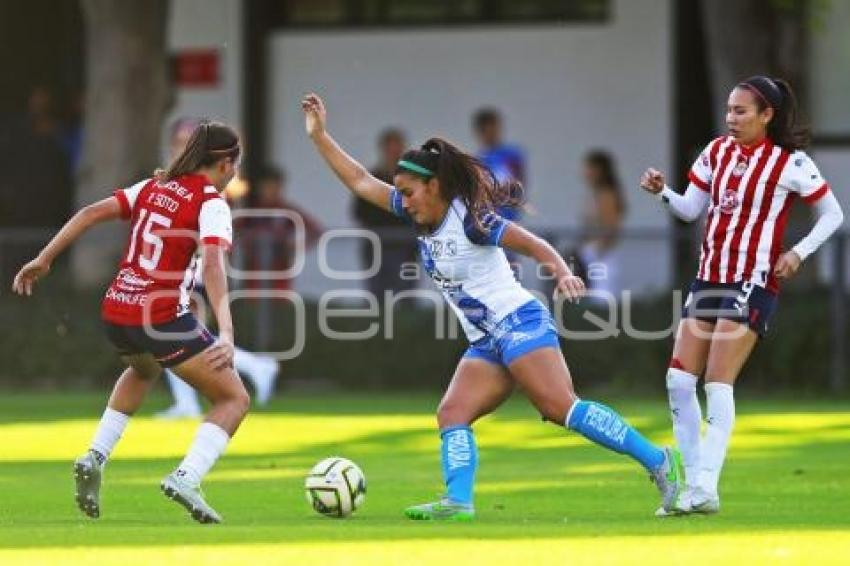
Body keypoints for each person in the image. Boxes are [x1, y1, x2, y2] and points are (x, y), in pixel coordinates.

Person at [302, 93, 684, 521]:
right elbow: (359, 181)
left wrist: (561, 271)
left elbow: (531, 242)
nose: (402, 201)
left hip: (518, 321)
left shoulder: (471, 220)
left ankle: (660, 460)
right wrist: (320, 136)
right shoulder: (420, 213)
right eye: (401, 194)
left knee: (560, 407)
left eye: (409, 193)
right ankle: (458, 502)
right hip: (486, 340)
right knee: (452, 413)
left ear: (434, 186)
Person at [12, 122, 249, 524]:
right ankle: (186, 477)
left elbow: (89, 213)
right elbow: (212, 263)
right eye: (235, 166)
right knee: (234, 399)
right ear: (226, 164)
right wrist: (226, 329)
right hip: (160, 315)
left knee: (143, 370)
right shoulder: (210, 203)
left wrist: (45, 258)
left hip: (118, 308)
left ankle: (95, 454)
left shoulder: (154, 187)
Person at [640, 76, 844, 515]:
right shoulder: (715, 152)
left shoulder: (791, 163)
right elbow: (691, 209)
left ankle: (706, 487)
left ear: (767, 115)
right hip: (707, 279)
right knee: (678, 380)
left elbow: (832, 214)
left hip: (750, 282)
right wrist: (664, 194)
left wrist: (799, 252)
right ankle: (692, 487)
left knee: (717, 381)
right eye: (729, 110)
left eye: (741, 111)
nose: (731, 118)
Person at [156, 121, 279, 419]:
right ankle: (253, 367)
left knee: (175, 337)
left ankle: (250, 369)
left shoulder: (206, 183)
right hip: (179, 270)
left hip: (193, 270)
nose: (183, 146)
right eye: (180, 140)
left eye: (189, 140)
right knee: (181, 339)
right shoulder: (179, 179)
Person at [352, 128, 418, 298]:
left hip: (406, 246)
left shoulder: (413, 181)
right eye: (391, 149)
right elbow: (359, 212)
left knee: (405, 295)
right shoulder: (372, 178)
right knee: (377, 295)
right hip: (377, 246)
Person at [577, 150, 627, 299]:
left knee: (602, 298)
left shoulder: (607, 194)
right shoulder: (595, 193)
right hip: (593, 254)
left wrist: (599, 249)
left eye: (589, 168)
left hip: (602, 256)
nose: (585, 172)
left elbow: (611, 225)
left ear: (599, 170)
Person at [472, 107, 526, 222]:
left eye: (495, 128)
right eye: (487, 130)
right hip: (489, 218)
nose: (493, 134)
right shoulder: (478, 160)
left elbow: (520, 182)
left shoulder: (512, 155)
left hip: (510, 216)